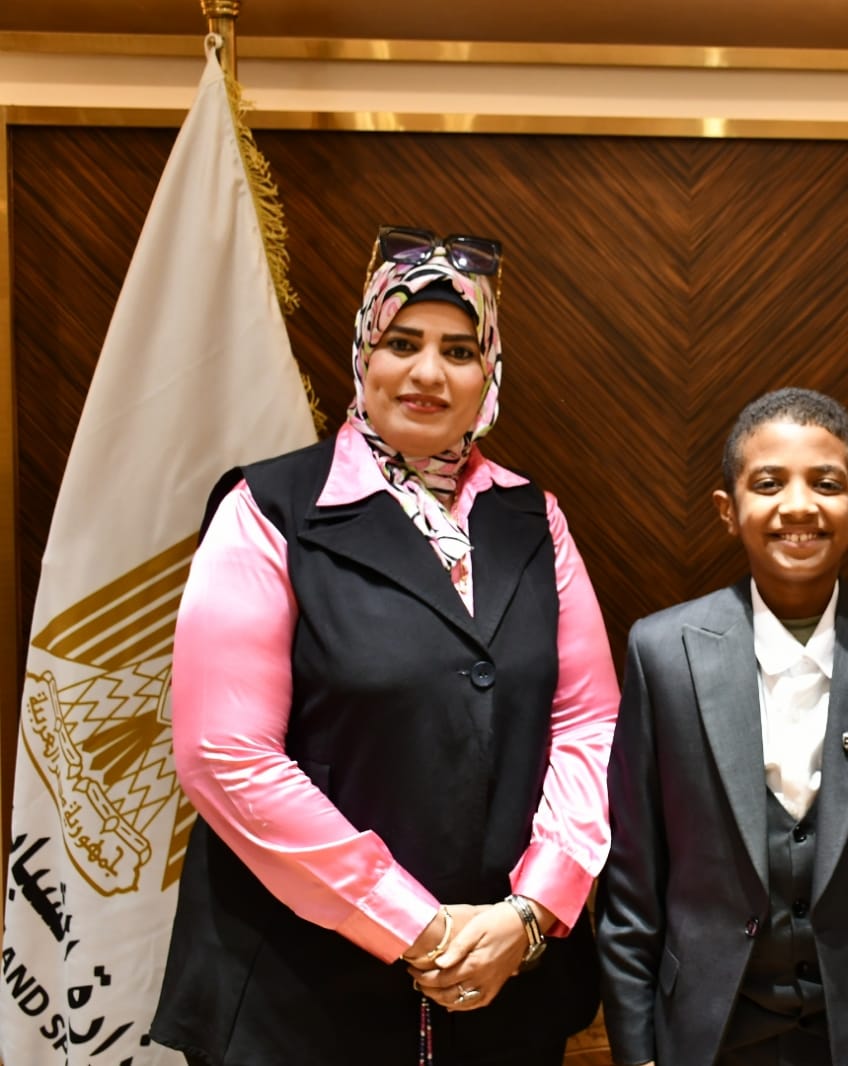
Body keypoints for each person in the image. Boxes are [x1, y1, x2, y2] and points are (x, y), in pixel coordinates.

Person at [151, 225, 620, 1065]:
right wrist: (417, 927)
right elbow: (225, 756)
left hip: (505, 987)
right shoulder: (269, 510)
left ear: (490, 371)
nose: (428, 373)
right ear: (363, 353)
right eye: (402, 343)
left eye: (459, 350)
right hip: (298, 1000)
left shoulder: (534, 519)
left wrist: (531, 913)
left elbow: (589, 725)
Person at [598, 388, 848, 1066]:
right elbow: (632, 888)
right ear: (727, 510)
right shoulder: (662, 654)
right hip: (706, 1038)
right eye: (768, 484)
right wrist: (638, 1053)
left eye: (825, 484)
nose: (798, 506)